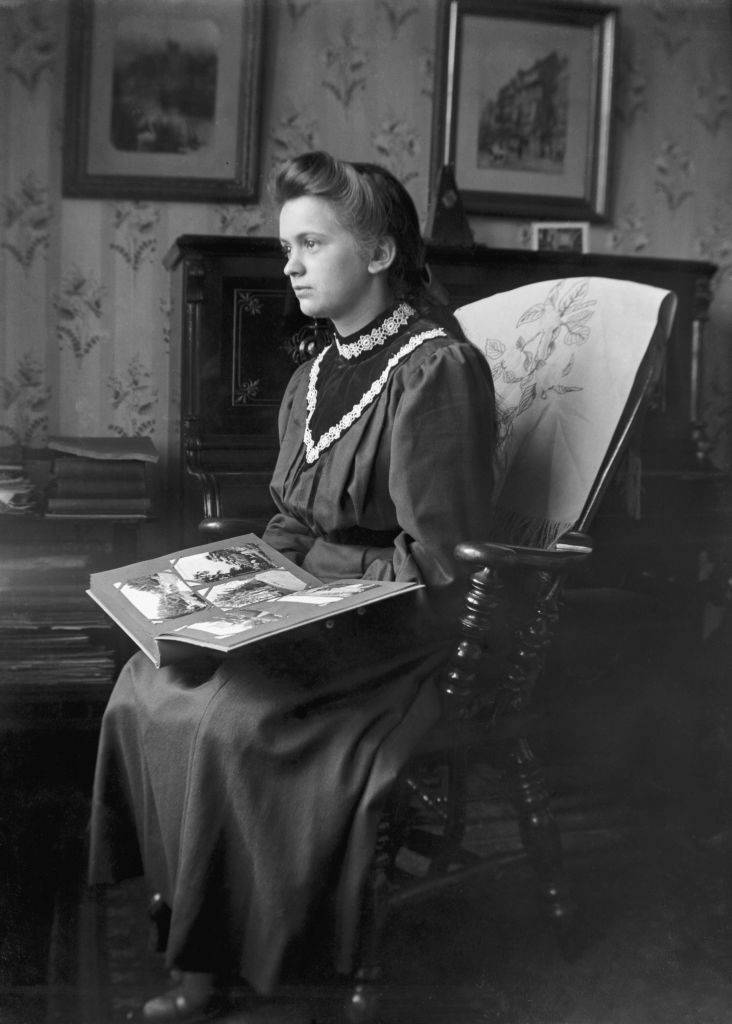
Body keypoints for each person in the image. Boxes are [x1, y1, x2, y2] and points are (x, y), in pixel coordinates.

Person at [88, 151, 496, 1022]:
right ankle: (194, 932)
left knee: (238, 717)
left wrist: (316, 598)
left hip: (400, 626)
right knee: (147, 685)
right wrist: (234, 586)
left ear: (381, 253)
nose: (290, 266)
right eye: (285, 248)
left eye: (312, 244)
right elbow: (295, 524)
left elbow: (439, 561)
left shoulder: (436, 370)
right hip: (310, 607)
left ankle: (242, 959)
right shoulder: (315, 376)